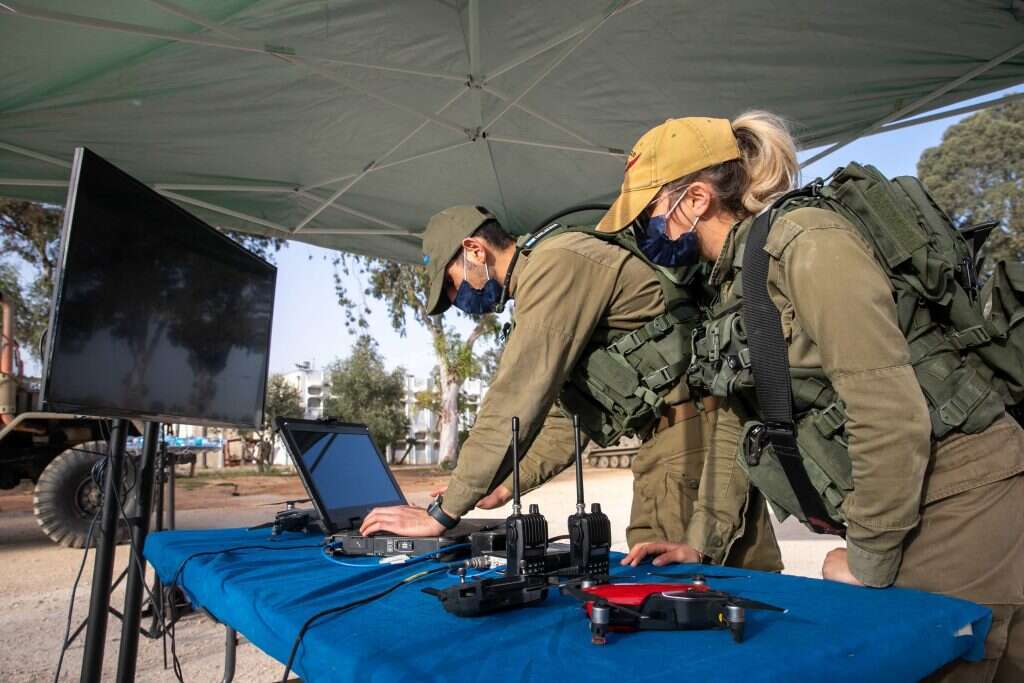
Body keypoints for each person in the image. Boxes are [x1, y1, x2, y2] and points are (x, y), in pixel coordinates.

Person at [610, 111, 1023, 681]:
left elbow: (887, 409)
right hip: (909, 501)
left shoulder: (807, 241)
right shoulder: (732, 278)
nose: (644, 232)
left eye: (648, 213)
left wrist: (869, 559)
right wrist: (700, 544)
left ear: (696, 199)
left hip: (961, 499)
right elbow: (740, 430)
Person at [358, 200, 780, 571]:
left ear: (474, 250)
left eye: (451, 284)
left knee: (685, 593)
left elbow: (514, 398)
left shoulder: (554, 265)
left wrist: (441, 515)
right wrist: (505, 484)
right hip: (685, 437)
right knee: (710, 590)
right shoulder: (550, 272)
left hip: (692, 440)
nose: (457, 300)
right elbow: (570, 417)